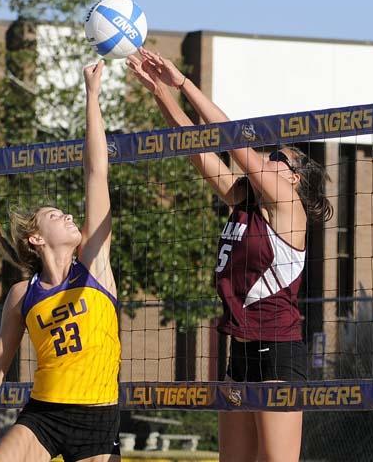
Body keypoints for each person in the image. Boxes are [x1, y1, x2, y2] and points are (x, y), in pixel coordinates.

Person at [127, 48, 332, 462]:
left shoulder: (288, 207)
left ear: (293, 178)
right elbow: (194, 146)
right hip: (239, 351)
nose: (267, 159)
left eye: (277, 158)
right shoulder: (243, 201)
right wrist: (159, 92)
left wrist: (183, 82)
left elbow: (233, 138)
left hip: (278, 352)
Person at [0, 60, 122, 462]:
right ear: (36, 238)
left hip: (97, 420)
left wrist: (93, 96)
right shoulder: (21, 295)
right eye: (54, 216)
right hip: (43, 415)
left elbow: (96, 173)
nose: (67, 216)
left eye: (66, 213)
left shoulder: (95, 266)